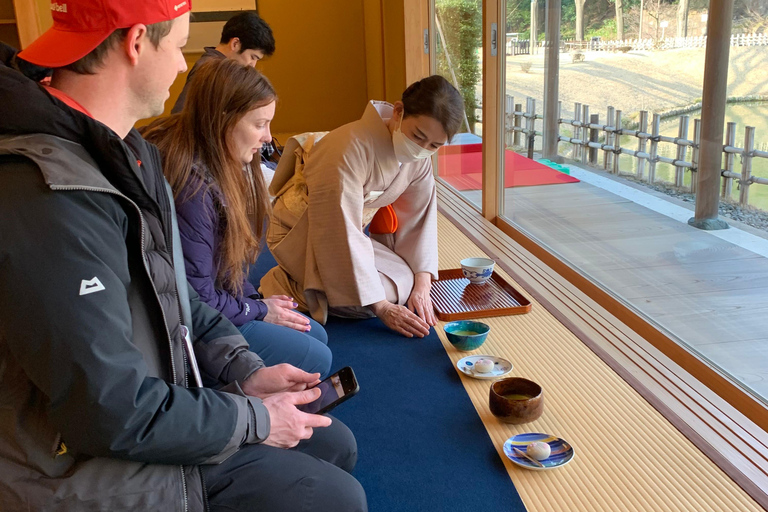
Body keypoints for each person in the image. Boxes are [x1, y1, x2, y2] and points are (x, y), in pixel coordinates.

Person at [0, 1, 366, 511]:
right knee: (336, 497)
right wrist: (256, 419)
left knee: (333, 443)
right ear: (136, 42)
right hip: (76, 465)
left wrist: (244, 370)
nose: (180, 64)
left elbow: (177, 298)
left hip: (156, 400)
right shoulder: (47, 194)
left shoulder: (131, 154)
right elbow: (111, 411)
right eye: (176, 46)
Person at [142, 59, 332, 378]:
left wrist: (255, 301)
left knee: (316, 334)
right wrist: (258, 310)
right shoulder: (193, 193)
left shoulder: (211, 160)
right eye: (259, 124)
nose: (269, 137)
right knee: (316, 355)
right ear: (223, 119)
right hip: (193, 327)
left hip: (211, 302)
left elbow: (219, 269)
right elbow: (198, 301)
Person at [261, 75, 464, 338]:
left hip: (347, 233)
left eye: (434, 146)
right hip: (301, 231)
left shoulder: (419, 157)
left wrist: (423, 285)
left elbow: (418, 219)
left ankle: (318, 285)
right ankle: (287, 283)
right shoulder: (345, 150)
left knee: (406, 279)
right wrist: (381, 308)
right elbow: (336, 229)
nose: (422, 149)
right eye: (418, 136)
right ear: (399, 111)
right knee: (373, 299)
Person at [171, 10, 275, 114]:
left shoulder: (218, 68)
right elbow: (180, 115)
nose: (253, 65)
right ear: (235, 44)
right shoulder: (209, 70)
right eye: (252, 57)